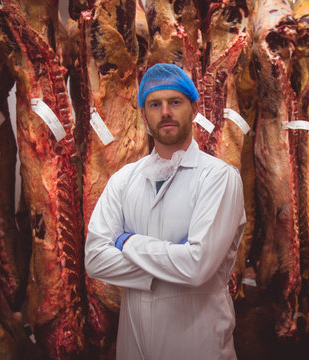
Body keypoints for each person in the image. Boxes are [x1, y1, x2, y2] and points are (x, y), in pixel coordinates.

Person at [85, 63, 246, 360]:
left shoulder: (219, 178)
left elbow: (197, 266)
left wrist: (127, 243)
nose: (166, 112)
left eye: (175, 102)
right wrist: (174, 260)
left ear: (193, 108)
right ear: (144, 114)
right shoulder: (123, 179)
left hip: (199, 347)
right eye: (155, 104)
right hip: (133, 348)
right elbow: (95, 260)